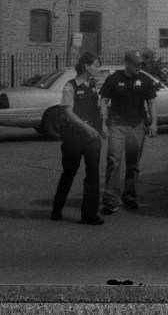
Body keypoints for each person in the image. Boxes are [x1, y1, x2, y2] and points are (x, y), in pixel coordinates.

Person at [51, 51, 108, 225]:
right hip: (74, 137)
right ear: (86, 66)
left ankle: (89, 214)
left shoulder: (93, 85)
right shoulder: (70, 86)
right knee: (69, 173)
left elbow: (98, 109)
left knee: (93, 174)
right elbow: (68, 112)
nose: (99, 69)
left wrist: (103, 125)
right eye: (96, 66)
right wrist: (86, 127)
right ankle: (57, 209)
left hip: (91, 136)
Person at [99, 49, 159, 213]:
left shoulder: (144, 80)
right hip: (117, 126)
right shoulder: (114, 79)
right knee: (114, 160)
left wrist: (153, 123)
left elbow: (151, 102)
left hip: (137, 126)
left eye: (141, 64)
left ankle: (129, 196)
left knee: (133, 164)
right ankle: (111, 199)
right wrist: (103, 122)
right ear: (127, 63)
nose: (139, 67)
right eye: (136, 64)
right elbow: (103, 100)